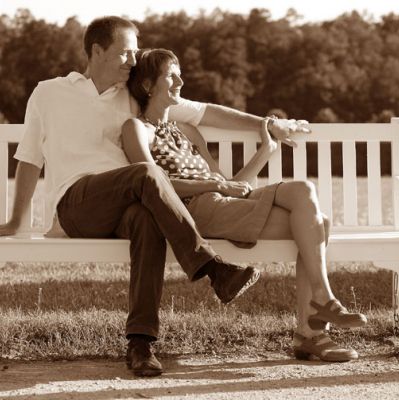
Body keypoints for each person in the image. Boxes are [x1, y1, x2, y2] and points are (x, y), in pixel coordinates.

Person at [0, 16, 308, 377]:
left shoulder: (132, 96)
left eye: (135, 54)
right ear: (97, 50)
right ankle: (212, 268)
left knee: (147, 219)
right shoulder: (49, 93)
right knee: (147, 172)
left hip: (128, 202)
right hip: (76, 203)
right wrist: (16, 221)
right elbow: (29, 158)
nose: (133, 61)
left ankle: (141, 343)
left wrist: (268, 124)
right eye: (126, 53)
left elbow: (205, 111)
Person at [122, 48, 368, 364]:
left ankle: (322, 302)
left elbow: (229, 184)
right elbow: (153, 184)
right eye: (171, 76)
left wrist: (266, 151)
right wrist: (216, 186)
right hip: (192, 210)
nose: (181, 82)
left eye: (180, 74)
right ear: (147, 86)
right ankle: (312, 332)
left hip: (221, 201)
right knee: (317, 225)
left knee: (306, 196)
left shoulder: (187, 130)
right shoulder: (136, 129)